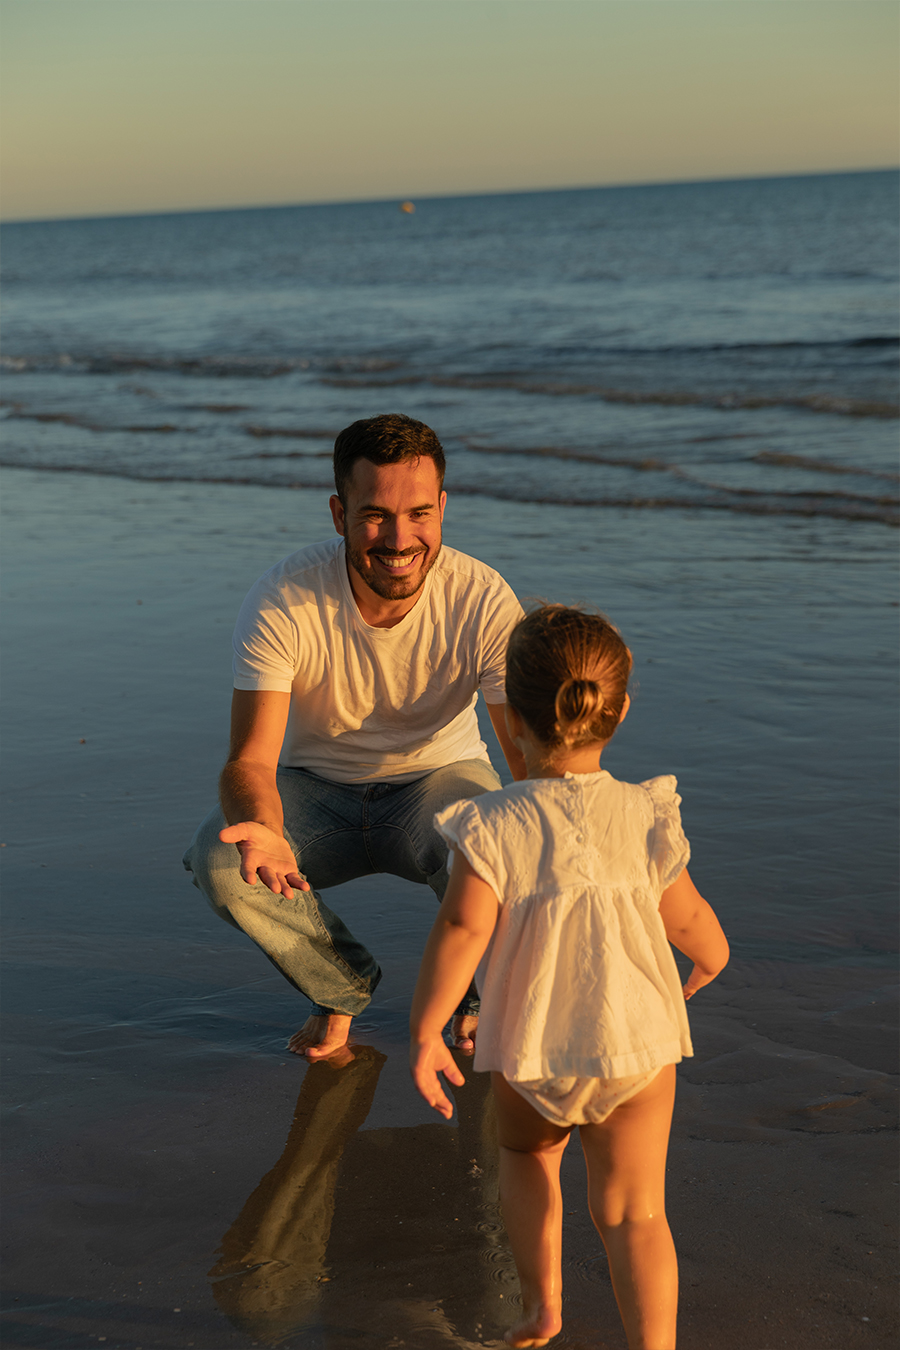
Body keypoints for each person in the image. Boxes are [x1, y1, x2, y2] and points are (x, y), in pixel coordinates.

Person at [410, 605, 729, 1350]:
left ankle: (541, 1307)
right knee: (635, 1214)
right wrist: (712, 956)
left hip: (533, 1046)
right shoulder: (645, 811)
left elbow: (461, 930)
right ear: (618, 710)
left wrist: (428, 1031)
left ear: (510, 720)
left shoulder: (492, 822)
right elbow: (688, 915)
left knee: (527, 1158)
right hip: (638, 1045)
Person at [183, 413, 526, 1061]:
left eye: (420, 513)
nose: (400, 538)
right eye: (375, 515)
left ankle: (480, 994)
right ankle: (339, 986)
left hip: (438, 783)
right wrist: (263, 826)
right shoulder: (285, 598)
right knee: (223, 861)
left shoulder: (482, 599)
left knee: (502, 844)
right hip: (316, 791)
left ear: (444, 509)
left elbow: (528, 765)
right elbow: (249, 761)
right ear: (340, 514)